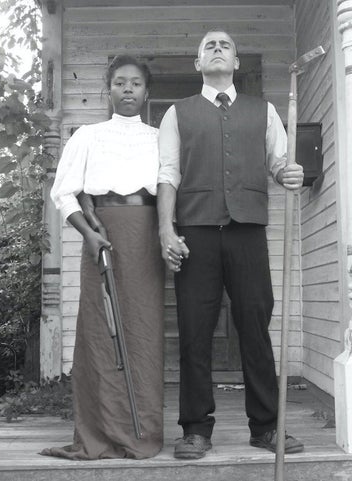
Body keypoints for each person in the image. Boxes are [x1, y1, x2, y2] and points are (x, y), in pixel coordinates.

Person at [157, 30, 305, 459]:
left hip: (247, 232)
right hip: (196, 233)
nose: (218, 49)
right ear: (198, 64)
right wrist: (166, 230)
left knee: (255, 329)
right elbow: (168, 174)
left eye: (225, 45)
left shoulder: (265, 111)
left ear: (237, 62)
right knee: (195, 332)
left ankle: (266, 427)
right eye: (209, 46)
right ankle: (196, 429)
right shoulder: (177, 114)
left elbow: (280, 163)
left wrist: (288, 173)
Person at [42, 55, 165, 460]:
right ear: (108, 90)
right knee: (102, 330)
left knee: (143, 331)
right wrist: (89, 233)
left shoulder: (160, 137)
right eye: (119, 83)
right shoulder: (88, 137)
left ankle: (140, 432)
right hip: (102, 235)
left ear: (146, 92)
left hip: (146, 235)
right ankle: (98, 431)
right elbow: (63, 192)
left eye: (135, 84)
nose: (127, 90)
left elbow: (170, 189)